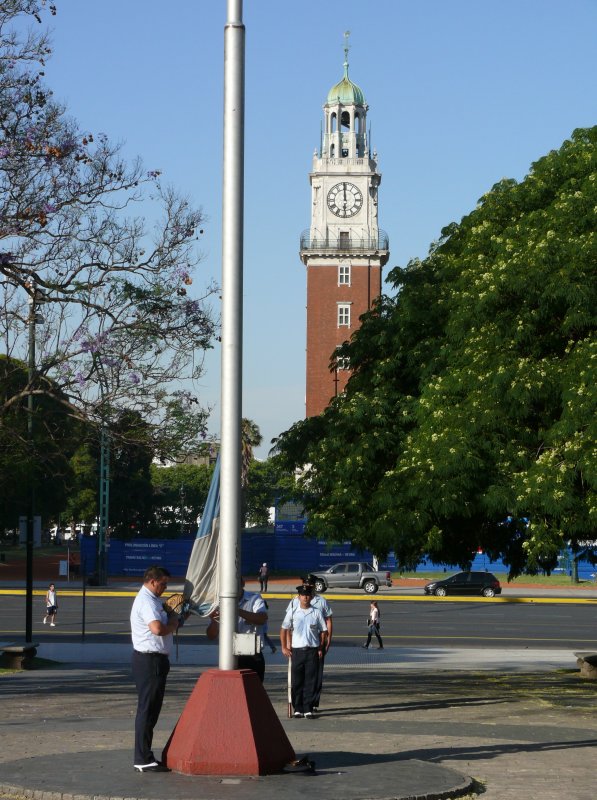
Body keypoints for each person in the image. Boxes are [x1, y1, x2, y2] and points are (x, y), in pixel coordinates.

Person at [130, 565, 183, 773]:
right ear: (152, 581)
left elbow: (166, 623)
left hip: (153, 660)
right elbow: (158, 629)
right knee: (147, 709)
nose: (164, 588)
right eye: (163, 584)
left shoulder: (152, 600)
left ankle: (145, 756)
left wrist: (176, 618)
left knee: (151, 710)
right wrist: (173, 624)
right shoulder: (146, 601)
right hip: (149, 660)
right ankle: (142, 758)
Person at [285, 575, 333, 710]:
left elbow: (328, 620)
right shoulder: (295, 601)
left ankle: (312, 703)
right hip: (298, 642)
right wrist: (288, 643)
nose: (308, 587)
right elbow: (288, 625)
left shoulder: (321, 601)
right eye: (306, 584)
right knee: (298, 677)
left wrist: (328, 640)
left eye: (310, 585)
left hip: (316, 640)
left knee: (315, 675)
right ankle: (299, 705)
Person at [206, 577, 268, 681]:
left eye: (234, 586)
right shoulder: (220, 602)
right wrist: (214, 620)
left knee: (253, 692)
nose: (231, 590)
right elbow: (211, 635)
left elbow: (262, 618)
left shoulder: (254, 598)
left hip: (251, 656)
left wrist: (234, 609)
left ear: (242, 584)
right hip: (228, 656)